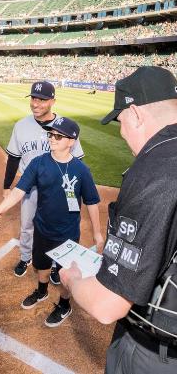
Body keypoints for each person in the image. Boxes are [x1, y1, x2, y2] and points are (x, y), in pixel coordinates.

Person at [60, 66, 177, 373]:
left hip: (155, 356)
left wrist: (72, 279)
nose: (122, 131)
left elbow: (107, 305)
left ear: (135, 113)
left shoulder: (155, 170)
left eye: (121, 121)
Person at [0, 117, 103, 327]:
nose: (51, 138)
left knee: (65, 273)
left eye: (58, 136)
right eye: (50, 134)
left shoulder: (82, 171)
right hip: (43, 228)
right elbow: (19, 191)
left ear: (71, 141)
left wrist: (98, 233)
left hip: (68, 233)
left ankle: (65, 303)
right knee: (42, 265)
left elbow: (92, 202)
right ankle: (42, 291)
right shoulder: (39, 163)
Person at [3, 81, 84, 282]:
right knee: (27, 224)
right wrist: (6, 186)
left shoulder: (65, 127)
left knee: (59, 227)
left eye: (42, 99)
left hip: (59, 190)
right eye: (33, 98)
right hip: (30, 188)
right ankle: (25, 257)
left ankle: (57, 265)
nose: (36, 103)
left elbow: (77, 161)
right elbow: (13, 157)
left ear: (53, 101)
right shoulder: (21, 126)